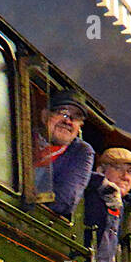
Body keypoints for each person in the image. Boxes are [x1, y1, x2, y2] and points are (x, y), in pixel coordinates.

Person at [32, 90, 94, 219]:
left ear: (79, 127)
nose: (68, 121)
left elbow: (63, 202)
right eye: (63, 113)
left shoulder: (80, 152)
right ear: (45, 116)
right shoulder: (23, 135)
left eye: (76, 118)